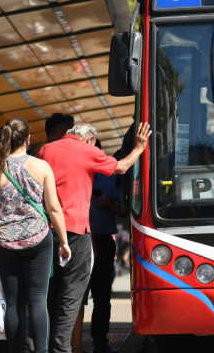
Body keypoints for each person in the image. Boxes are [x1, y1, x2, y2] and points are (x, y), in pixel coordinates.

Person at [37, 121, 151, 353]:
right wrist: (138, 148)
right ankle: (63, 349)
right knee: (72, 297)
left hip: (46, 232)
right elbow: (120, 167)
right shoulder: (88, 150)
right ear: (89, 139)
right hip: (76, 233)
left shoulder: (45, 150)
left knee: (49, 296)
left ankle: (47, 347)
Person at [0, 117, 70, 353]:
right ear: (28, 140)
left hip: (3, 241)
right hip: (38, 239)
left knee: (13, 303)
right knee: (38, 300)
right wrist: (63, 241)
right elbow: (53, 208)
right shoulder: (41, 167)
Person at [87, 141, 123, 353]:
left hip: (102, 238)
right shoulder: (71, 172)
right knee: (71, 295)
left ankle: (100, 340)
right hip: (78, 239)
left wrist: (108, 203)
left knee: (101, 296)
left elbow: (123, 210)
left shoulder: (110, 176)